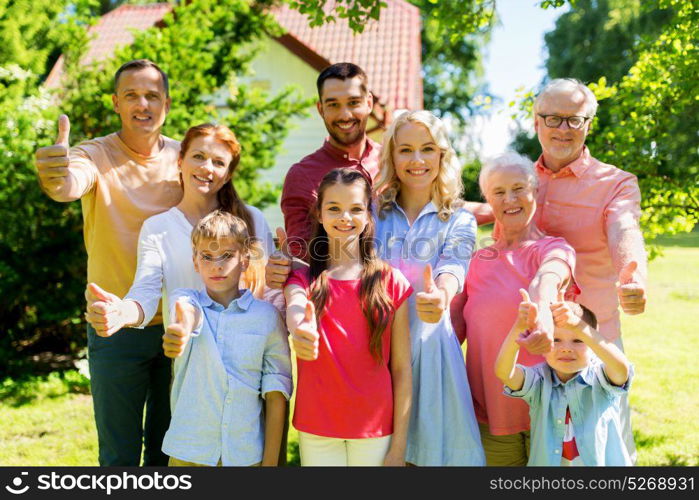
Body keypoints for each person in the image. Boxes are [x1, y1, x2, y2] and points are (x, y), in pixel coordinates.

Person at [34, 59, 180, 466]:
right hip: (113, 325)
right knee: (118, 455)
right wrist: (56, 175)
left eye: (152, 95)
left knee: (170, 451)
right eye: (131, 95)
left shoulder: (185, 158)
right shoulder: (94, 154)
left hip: (177, 324)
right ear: (116, 103)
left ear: (166, 103)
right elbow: (70, 182)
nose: (143, 104)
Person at [531, 78, 645, 460]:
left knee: (605, 455)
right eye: (553, 118)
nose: (563, 128)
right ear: (536, 122)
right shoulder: (521, 181)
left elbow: (624, 228)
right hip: (534, 344)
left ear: (588, 125)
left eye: (574, 120)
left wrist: (632, 277)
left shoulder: (615, 183)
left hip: (594, 346)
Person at [84, 123, 274, 335]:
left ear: (228, 175)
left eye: (219, 162)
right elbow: (146, 293)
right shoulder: (157, 228)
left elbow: (272, 291)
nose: (207, 167)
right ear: (181, 161)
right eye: (199, 156)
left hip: (252, 357)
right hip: (192, 361)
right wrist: (121, 312)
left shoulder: (253, 219)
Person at [373, 110, 484, 466]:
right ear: (391, 156)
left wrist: (441, 294)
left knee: (432, 456)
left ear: (442, 155)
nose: (417, 160)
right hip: (377, 351)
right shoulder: (373, 214)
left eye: (427, 149)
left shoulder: (460, 219)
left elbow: (454, 265)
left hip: (431, 348)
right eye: (405, 150)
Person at [284, 168, 413, 466]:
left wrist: (400, 447)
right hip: (317, 425)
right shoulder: (303, 279)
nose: (345, 217)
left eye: (356, 208)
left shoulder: (392, 282)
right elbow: (294, 304)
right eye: (334, 208)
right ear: (318, 213)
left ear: (369, 215)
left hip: (375, 428)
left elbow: (403, 370)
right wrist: (299, 327)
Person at [461, 152, 576, 466]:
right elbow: (451, 329)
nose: (510, 199)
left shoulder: (553, 248)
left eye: (518, 188)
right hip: (491, 414)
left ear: (534, 190)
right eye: (499, 192)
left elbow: (548, 279)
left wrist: (541, 311)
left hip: (551, 411)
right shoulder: (475, 261)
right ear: (487, 200)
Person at [159, 211, 292, 466]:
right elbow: (187, 314)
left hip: (245, 455)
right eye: (207, 257)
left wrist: (270, 463)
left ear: (245, 259)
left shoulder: (267, 317)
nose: (217, 266)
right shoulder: (185, 299)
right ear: (195, 262)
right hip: (188, 453)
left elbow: (276, 395)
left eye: (227, 256)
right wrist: (181, 330)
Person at [495, 289, 632, 466]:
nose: (566, 348)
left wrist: (577, 325)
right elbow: (505, 373)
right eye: (556, 340)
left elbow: (621, 369)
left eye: (578, 340)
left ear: (592, 345)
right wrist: (519, 328)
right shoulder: (539, 380)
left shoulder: (600, 378)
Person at [279, 62, 380, 261]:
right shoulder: (302, 175)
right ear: (321, 109)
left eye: (353, 102)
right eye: (333, 104)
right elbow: (302, 257)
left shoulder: (393, 161)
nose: (345, 115)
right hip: (333, 288)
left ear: (369, 103)